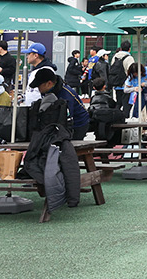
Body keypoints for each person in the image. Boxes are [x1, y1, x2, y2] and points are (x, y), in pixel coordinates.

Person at [21, 68, 81, 223]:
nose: (38, 89)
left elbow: (69, 118)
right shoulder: (51, 92)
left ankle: (61, 190)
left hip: (77, 127)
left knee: (63, 155)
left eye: (39, 85)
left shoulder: (65, 94)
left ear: (49, 83)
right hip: (57, 130)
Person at [87, 79, 124, 147]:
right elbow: (114, 107)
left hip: (97, 121)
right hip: (107, 122)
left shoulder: (93, 98)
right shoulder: (108, 97)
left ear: (94, 88)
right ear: (104, 86)